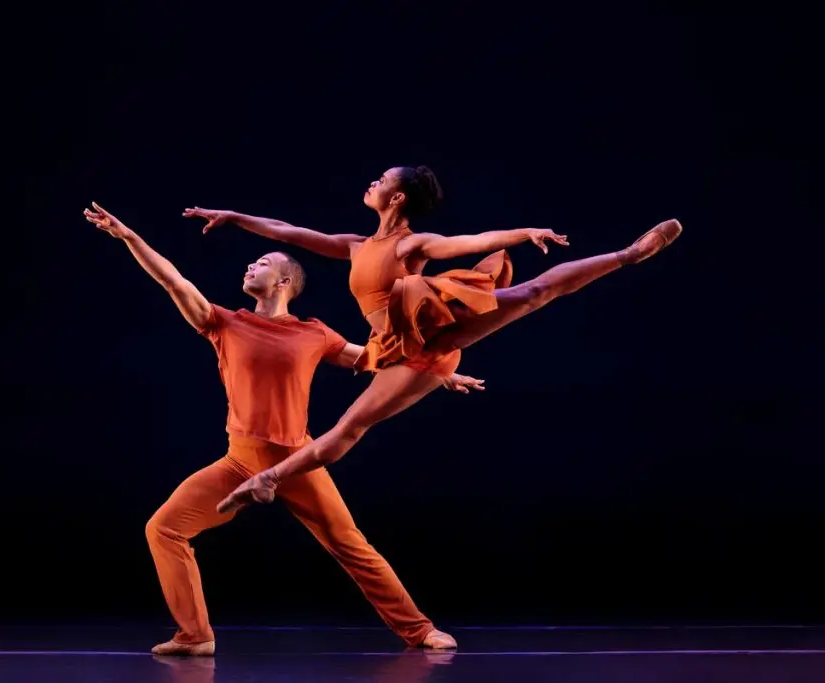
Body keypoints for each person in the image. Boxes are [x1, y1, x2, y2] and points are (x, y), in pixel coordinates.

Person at [84, 202, 483, 655]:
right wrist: (130, 237)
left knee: (350, 545)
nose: (250, 266)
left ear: (284, 282)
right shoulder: (224, 322)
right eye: (252, 262)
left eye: (262, 263)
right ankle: (195, 636)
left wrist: (440, 372)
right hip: (239, 460)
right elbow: (173, 281)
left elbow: (375, 361)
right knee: (164, 529)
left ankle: (419, 630)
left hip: (296, 460)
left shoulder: (314, 333)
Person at [182, 165, 682, 514]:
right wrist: (234, 217)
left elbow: (465, 244)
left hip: (436, 329)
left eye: (382, 180)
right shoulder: (355, 246)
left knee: (532, 292)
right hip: (401, 352)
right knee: (350, 427)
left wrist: (519, 232)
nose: (372, 182)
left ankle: (627, 255)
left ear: (396, 197)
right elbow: (288, 231)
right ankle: (267, 481)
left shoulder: (411, 243)